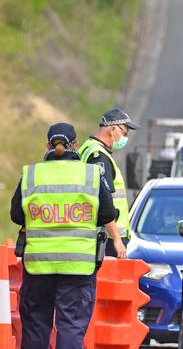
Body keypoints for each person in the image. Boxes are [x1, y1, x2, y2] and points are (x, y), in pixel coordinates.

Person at [9, 122, 126, 349]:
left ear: (48, 144)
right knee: (70, 326)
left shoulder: (32, 175)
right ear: (75, 145)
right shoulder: (90, 175)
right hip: (78, 267)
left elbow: (16, 214)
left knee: (36, 326)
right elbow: (107, 214)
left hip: (39, 267)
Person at [77, 108, 140, 257]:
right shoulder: (99, 157)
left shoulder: (88, 148)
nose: (125, 138)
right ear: (112, 129)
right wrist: (117, 239)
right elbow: (104, 201)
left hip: (104, 234)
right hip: (107, 236)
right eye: (124, 133)